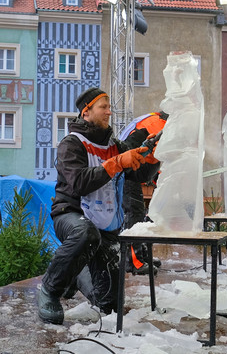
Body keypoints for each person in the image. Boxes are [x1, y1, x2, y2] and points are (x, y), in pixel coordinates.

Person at [36, 87, 154, 324]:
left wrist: (151, 157)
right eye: (104, 107)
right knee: (85, 233)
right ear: (86, 112)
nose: (110, 112)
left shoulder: (114, 145)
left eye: (110, 107)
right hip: (71, 214)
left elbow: (139, 175)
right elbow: (79, 182)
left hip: (105, 226)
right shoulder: (71, 143)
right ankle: (49, 290)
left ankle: (76, 273)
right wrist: (117, 162)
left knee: (111, 305)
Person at [117, 110, 168, 274]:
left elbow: (153, 160)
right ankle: (133, 262)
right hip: (125, 171)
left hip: (134, 170)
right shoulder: (160, 126)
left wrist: (157, 178)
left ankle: (143, 255)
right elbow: (157, 155)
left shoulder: (158, 121)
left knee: (141, 215)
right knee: (134, 213)